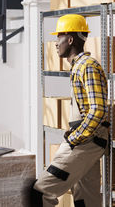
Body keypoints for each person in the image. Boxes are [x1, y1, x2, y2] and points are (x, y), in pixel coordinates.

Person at [32, 14, 109, 207]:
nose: (56, 43)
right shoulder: (79, 67)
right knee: (86, 198)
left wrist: (75, 138)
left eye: (58, 37)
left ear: (70, 39)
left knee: (41, 191)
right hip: (88, 140)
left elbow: (98, 108)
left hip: (86, 141)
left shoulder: (87, 66)